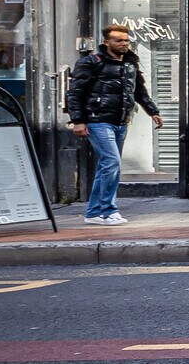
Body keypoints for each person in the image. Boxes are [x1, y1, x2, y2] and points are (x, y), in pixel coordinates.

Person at [66, 23, 163, 226]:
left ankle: (93, 213)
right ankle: (109, 211)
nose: (124, 44)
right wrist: (78, 121)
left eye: (126, 40)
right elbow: (74, 93)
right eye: (118, 40)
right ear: (106, 42)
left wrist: (153, 111)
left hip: (120, 121)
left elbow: (139, 91)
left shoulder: (130, 64)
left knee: (106, 167)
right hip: (97, 120)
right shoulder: (91, 62)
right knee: (112, 163)